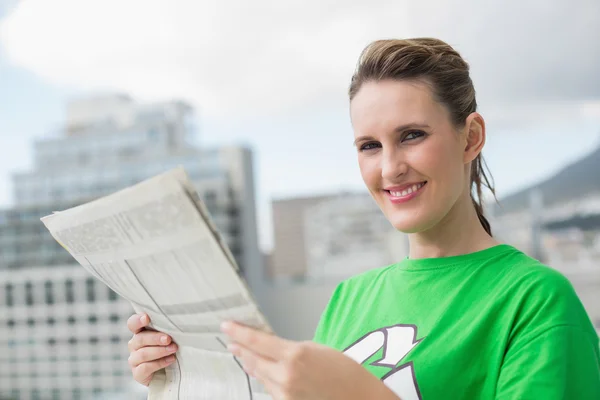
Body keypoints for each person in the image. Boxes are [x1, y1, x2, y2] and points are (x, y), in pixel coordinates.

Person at [126, 38, 600, 399]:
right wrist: (179, 377)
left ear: (471, 137)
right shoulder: (349, 299)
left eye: (412, 135)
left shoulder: (535, 303)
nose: (390, 167)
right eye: (369, 146)